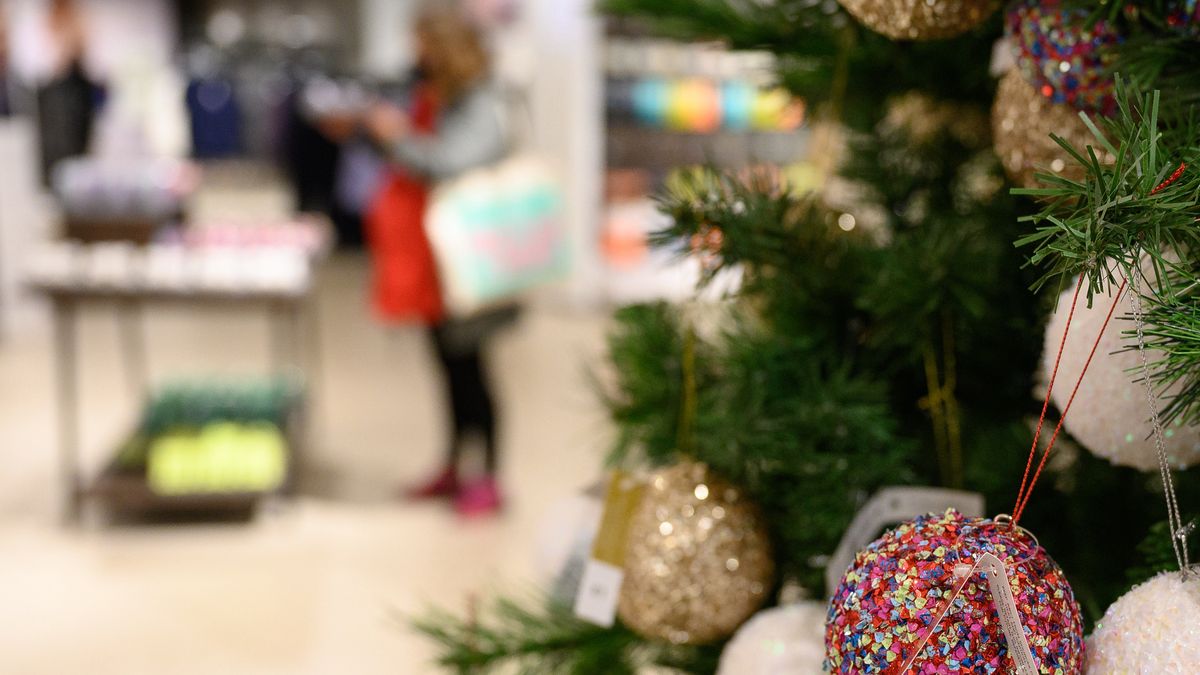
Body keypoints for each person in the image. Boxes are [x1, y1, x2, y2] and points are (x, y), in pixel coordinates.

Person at [362, 2, 510, 517]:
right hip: (434, 257)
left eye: (422, 44)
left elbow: (450, 161)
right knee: (447, 366)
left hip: (468, 257)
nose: (415, 54)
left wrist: (397, 137)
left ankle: (488, 475)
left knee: (472, 368)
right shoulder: (435, 92)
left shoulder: (480, 100)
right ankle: (453, 464)